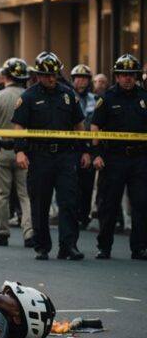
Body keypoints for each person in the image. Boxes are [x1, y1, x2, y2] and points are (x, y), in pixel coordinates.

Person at [12, 51, 90, 261]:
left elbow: (79, 125)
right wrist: (19, 151)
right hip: (39, 156)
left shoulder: (68, 94)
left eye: (55, 74)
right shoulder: (28, 96)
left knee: (69, 201)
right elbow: (19, 126)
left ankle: (69, 245)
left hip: (65, 156)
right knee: (40, 203)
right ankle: (42, 246)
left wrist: (85, 150)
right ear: (38, 74)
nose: (52, 78)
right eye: (47, 75)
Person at [90, 54, 147, 260]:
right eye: (123, 74)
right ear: (117, 76)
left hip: (140, 159)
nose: (127, 78)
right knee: (109, 205)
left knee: (141, 204)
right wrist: (96, 154)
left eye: (131, 74)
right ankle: (104, 246)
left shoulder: (144, 97)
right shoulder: (107, 98)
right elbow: (95, 126)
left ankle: (140, 247)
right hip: (113, 158)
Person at [0, 58, 34, 248]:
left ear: (5, 76)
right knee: (26, 194)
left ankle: (2, 233)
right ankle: (29, 233)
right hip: (25, 152)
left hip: (3, 151)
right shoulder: (31, 96)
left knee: (2, 195)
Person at [70, 64, 97, 230]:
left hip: (89, 144)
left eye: (84, 79)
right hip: (72, 146)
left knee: (87, 183)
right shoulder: (67, 97)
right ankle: (72, 214)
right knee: (72, 183)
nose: (81, 82)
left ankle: (84, 215)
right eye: (78, 78)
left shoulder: (95, 100)